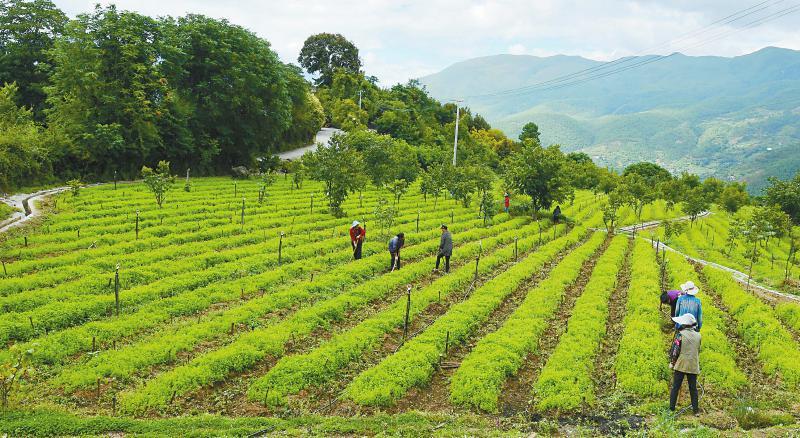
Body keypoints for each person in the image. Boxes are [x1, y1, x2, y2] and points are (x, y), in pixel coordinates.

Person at [669, 313, 701, 415]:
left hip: (681, 363)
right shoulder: (699, 335)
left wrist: (672, 363)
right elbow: (697, 349)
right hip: (693, 364)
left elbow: (675, 351)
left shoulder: (680, 335)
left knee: (676, 387)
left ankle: (671, 409)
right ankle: (696, 410)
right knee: (693, 388)